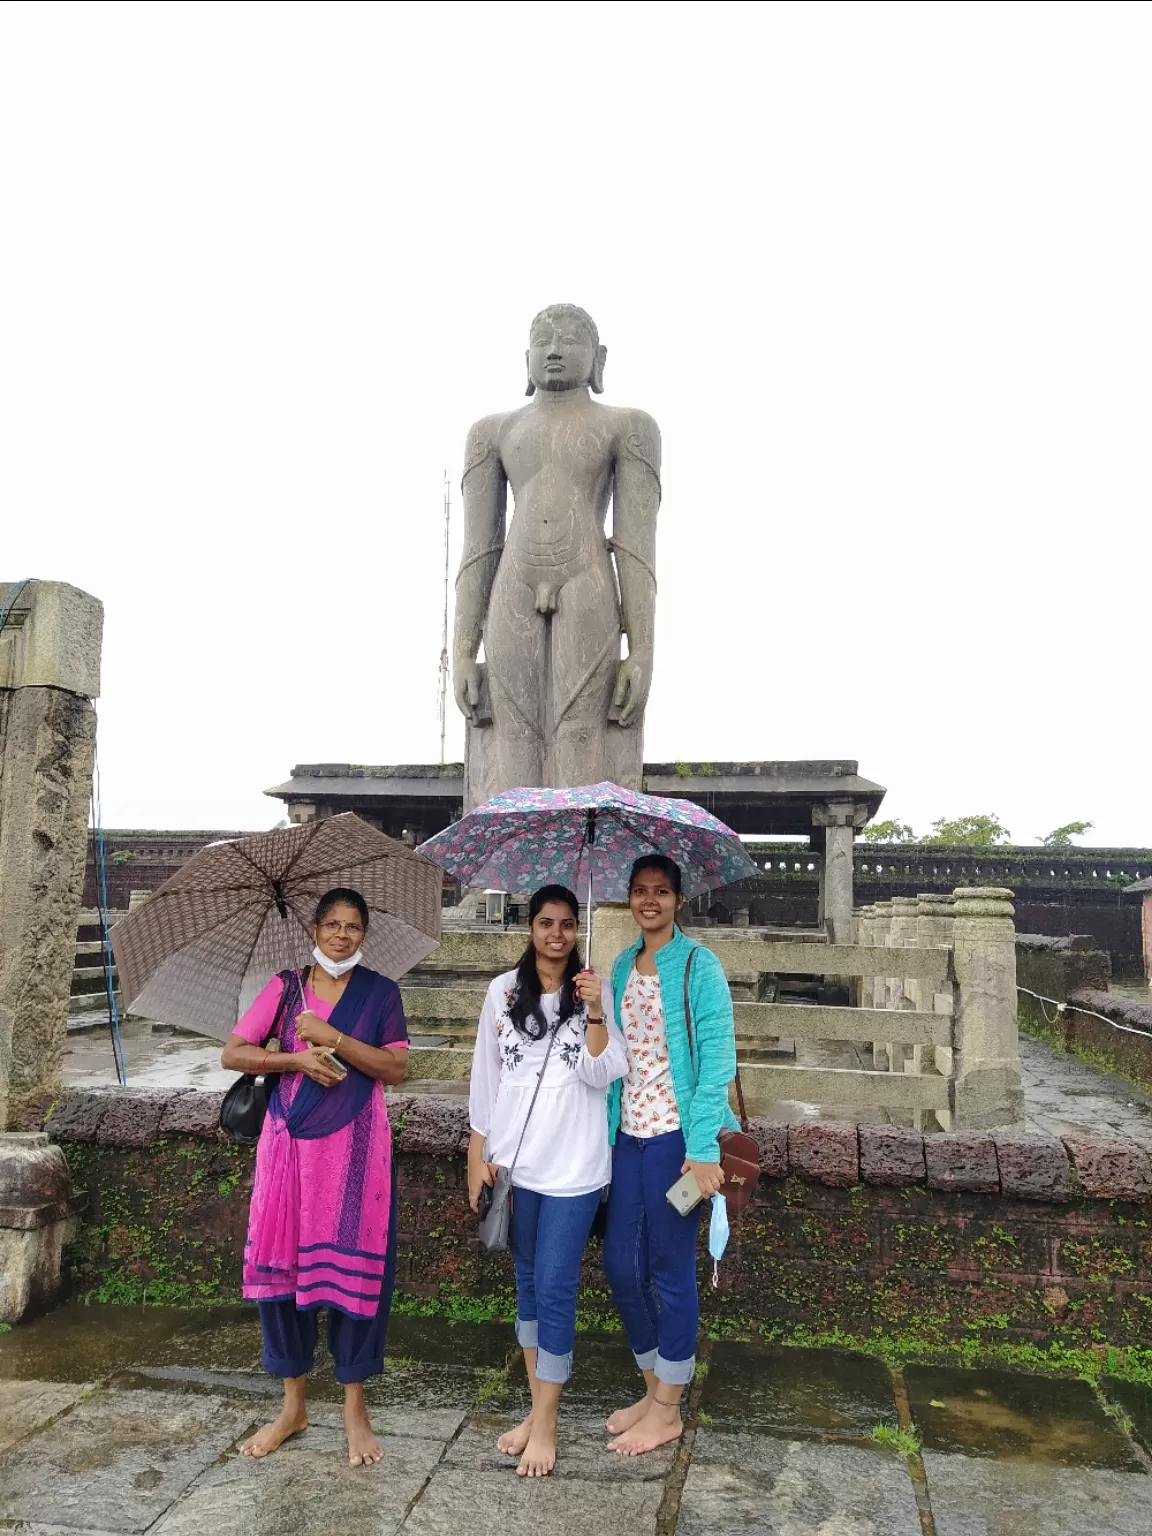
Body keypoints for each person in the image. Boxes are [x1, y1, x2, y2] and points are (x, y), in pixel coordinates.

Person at [220, 887, 409, 1466]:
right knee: (284, 1274)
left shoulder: (381, 993)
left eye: (353, 926)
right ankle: (293, 1407)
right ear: (315, 929)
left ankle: (355, 1410)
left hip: (354, 1156)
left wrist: (335, 1041)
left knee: (355, 1281)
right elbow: (233, 1053)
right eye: (332, 924)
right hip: (288, 1154)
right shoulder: (285, 988)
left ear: (365, 933)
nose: (341, 935)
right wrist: (294, 1058)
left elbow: (396, 1067)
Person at [467, 884, 628, 1477]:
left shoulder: (596, 990)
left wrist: (594, 1010)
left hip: (576, 1168)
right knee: (528, 1286)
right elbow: (487, 1077)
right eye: (545, 922)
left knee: (556, 1288)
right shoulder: (501, 993)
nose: (556, 933)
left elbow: (604, 1071)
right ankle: (536, 1413)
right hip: (516, 1165)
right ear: (529, 927)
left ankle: (548, 1425)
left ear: (575, 929)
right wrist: (477, 1153)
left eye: (565, 923)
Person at [601, 855, 738, 1455]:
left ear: (679, 899)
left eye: (660, 892)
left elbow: (716, 1065)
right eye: (638, 891)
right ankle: (655, 1384)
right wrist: (590, 1009)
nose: (648, 901)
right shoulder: (619, 965)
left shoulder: (699, 967)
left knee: (670, 1270)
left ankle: (669, 1409)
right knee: (619, 1267)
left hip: (677, 1139)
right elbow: (610, 1057)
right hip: (626, 1136)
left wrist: (704, 1148)